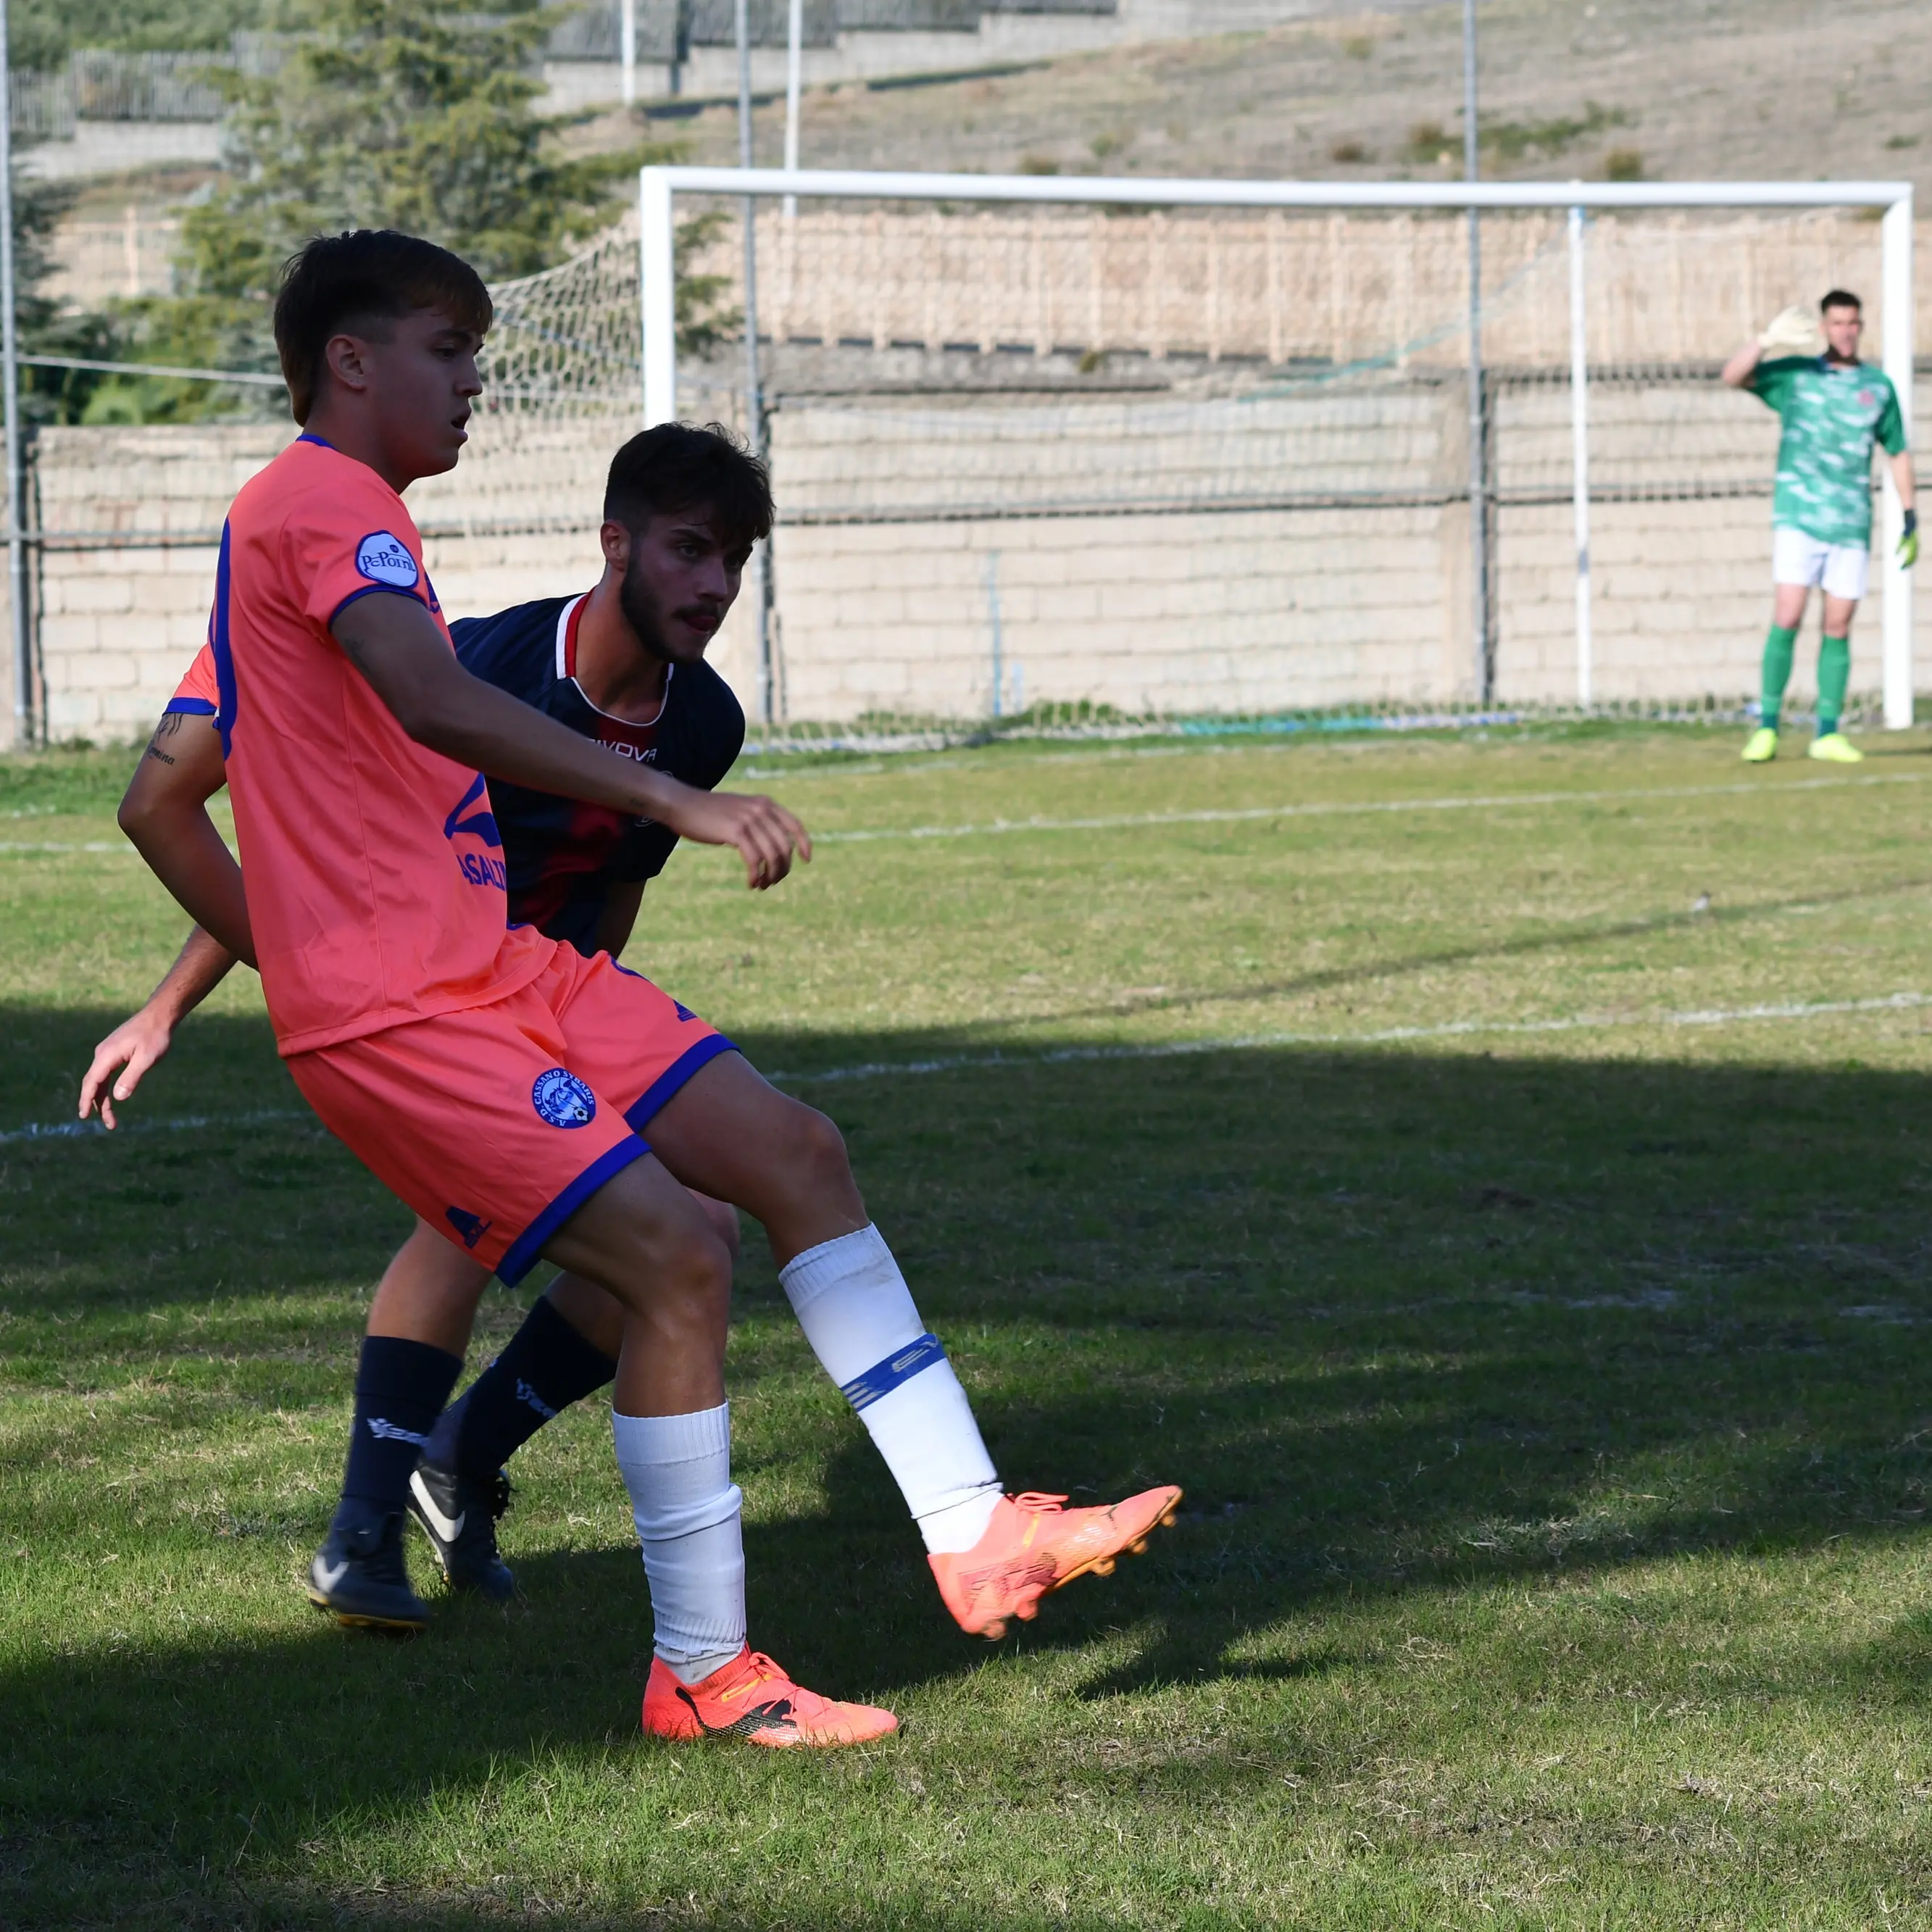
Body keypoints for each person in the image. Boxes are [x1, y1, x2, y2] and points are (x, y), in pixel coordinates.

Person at [100, 230, 1181, 1748]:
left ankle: (973, 1527)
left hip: (506, 967)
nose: (474, 379)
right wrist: (651, 808)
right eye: (444, 348)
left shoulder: (329, 531)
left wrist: (307, 942)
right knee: (675, 1256)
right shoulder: (321, 510)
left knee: (791, 1153)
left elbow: (165, 797)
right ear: (349, 362)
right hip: (414, 1007)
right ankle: (700, 1670)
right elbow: (415, 700)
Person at [1723, 291, 1917, 765]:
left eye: (1853, 323)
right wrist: (1766, 340)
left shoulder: (1877, 387)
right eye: (1837, 322)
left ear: (1861, 327)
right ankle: (1767, 726)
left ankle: (1827, 732)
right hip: (1799, 518)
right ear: (1824, 327)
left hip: (1850, 524)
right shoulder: (1797, 376)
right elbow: (1733, 375)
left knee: (1838, 624)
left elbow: (1897, 450)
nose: (1845, 331)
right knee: (1788, 615)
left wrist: (1911, 515)